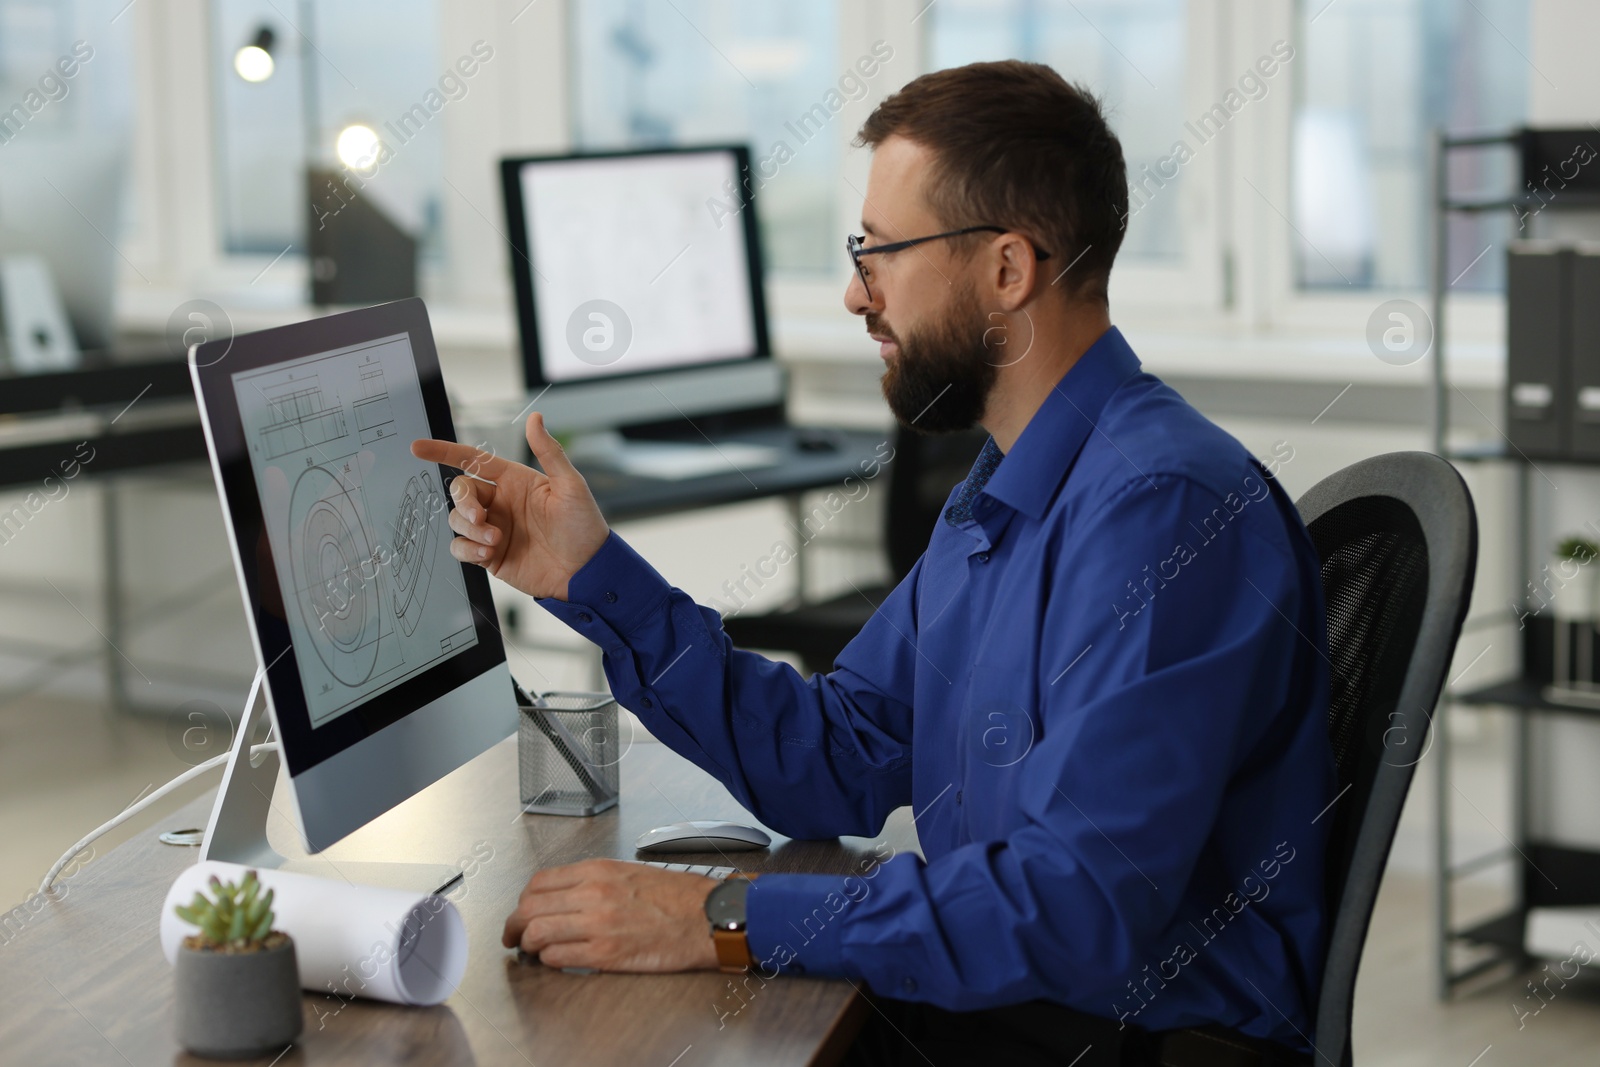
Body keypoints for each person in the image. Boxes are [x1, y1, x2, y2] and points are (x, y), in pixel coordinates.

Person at [413, 60, 1333, 1067]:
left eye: (881, 251)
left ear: (1007, 270)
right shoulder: (1007, 488)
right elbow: (837, 753)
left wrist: (722, 913)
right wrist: (592, 576)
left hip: (1126, 1038)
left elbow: (1074, 906)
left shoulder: (1160, 510)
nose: (857, 293)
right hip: (1030, 1006)